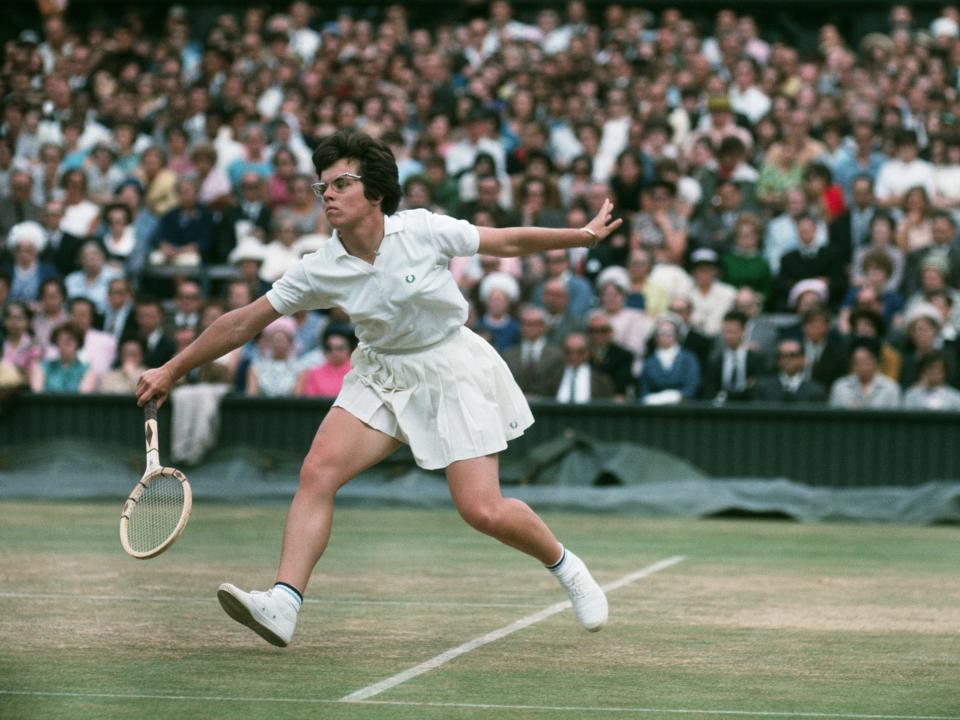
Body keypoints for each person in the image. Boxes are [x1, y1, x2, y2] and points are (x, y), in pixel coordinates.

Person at [136, 130, 619, 647]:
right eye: (322, 186)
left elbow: (507, 240)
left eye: (341, 183)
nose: (328, 195)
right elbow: (243, 322)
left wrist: (582, 236)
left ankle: (567, 568)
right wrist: (172, 369)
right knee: (317, 473)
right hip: (382, 373)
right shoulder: (319, 265)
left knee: (482, 510)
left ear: (376, 192)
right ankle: (284, 602)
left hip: (451, 368)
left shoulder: (423, 231)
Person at [753, 338, 828, 403]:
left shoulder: (816, 390)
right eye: (782, 356)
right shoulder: (763, 387)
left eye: (793, 355)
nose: (787, 359)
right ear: (777, 360)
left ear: (803, 359)